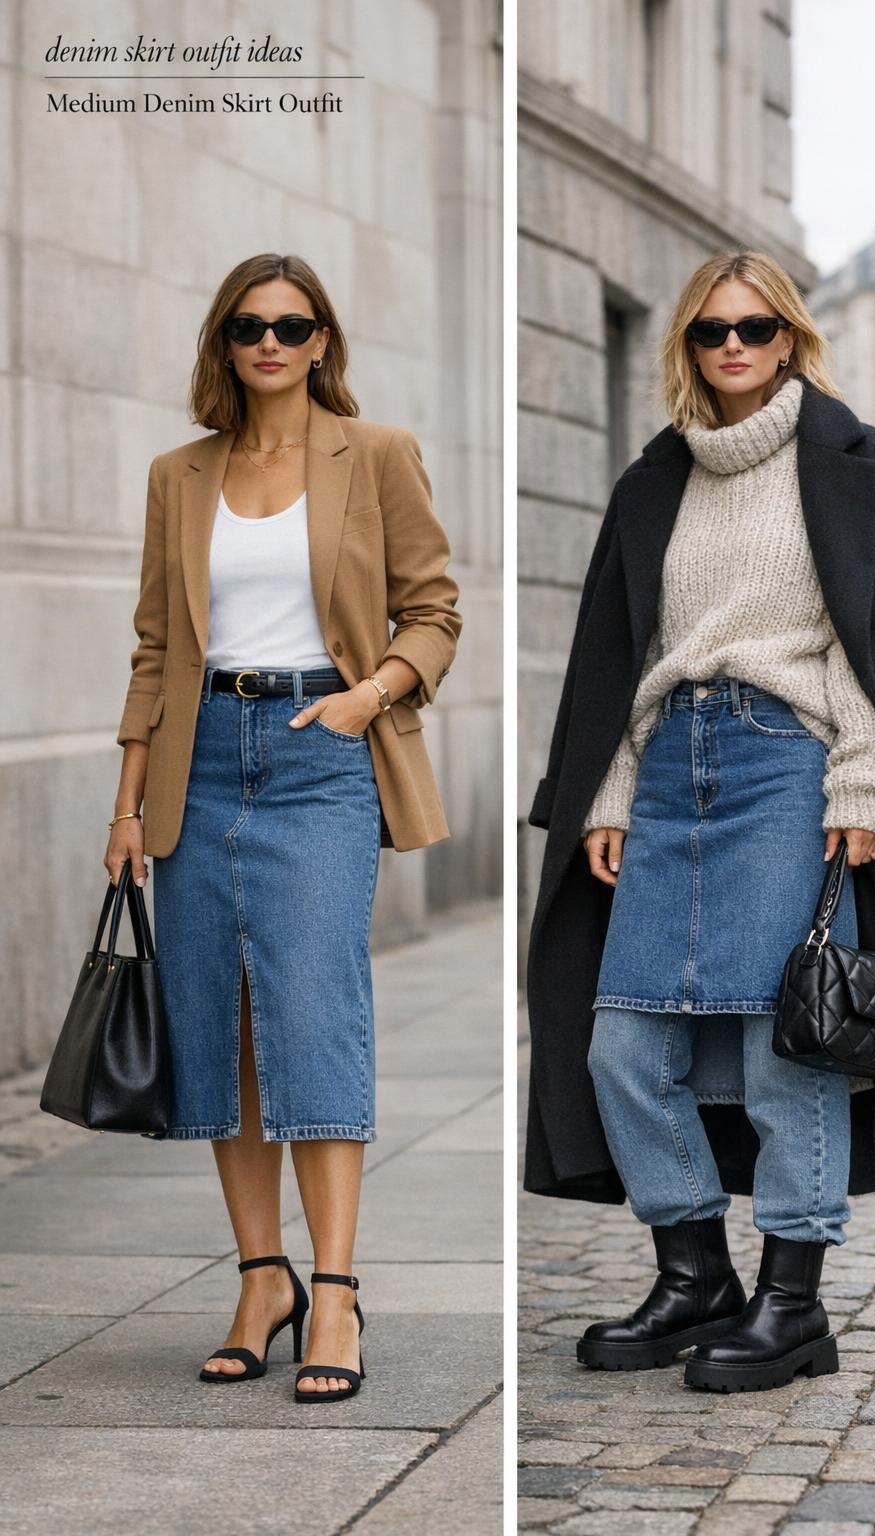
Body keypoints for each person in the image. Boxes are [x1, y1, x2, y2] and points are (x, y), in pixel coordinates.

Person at [523, 247, 875, 1395]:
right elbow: (625, 655)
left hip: (785, 767)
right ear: (686, 348)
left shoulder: (853, 464)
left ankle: (790, 1304)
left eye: (755, 327)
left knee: (782, 1044)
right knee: (621, 1048)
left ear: (790, 338)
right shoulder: (654, 481)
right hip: (664, 781)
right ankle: (694, 1271)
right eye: (711, 331)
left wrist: (862, 783)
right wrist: (603, 794)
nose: (734, 346)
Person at [106, 251, 461, 1402]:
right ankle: (263, 1279)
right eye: (248, 326)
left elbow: (435, 609)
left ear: (322, 342)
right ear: (223, 343)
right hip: (198, 761)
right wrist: (127, 801)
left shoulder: (380, 456)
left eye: (293, 325)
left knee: (315, 1016)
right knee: (221, 1032)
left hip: (319, 754)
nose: (270, 341)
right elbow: (157, 645)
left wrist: (372, 695)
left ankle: (339, 1291)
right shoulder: (179, 474)